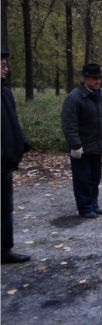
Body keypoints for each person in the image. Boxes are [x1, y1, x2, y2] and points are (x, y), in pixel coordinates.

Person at [61, 63, 102, 219]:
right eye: (94, 78)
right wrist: (75, 145)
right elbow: (69, 123)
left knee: (95, 177)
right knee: (82, 179)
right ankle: (85, 207)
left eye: (99, 78)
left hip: (97, 146)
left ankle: (93, 204)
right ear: (85, 78)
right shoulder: (74, 98)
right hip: (81, 148)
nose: (98, 81)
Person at [1, 49, 31, 264]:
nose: (6, 68)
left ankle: (4, 250)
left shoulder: (6, 92)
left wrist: (21, 144)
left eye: (5, 63)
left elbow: (13, 122)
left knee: (6, 209)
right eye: (1, 64)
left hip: (6, 163)